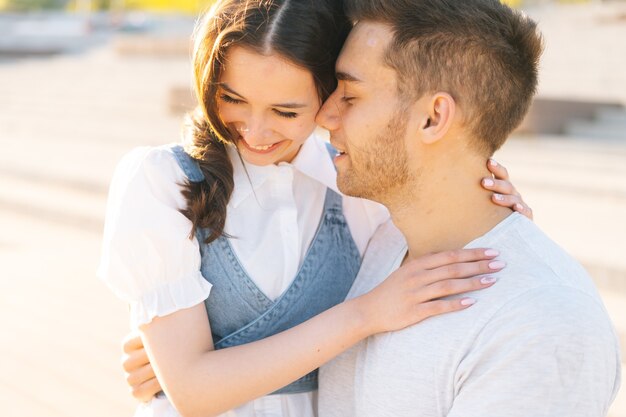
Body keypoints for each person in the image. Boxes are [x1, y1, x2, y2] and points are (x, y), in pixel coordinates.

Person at [100, 0, 532, 416]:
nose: (255, 131)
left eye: (285, 112)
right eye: (232, 99)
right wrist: (365, 314)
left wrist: (496, 218)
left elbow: (446, 267)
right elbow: (193, 395)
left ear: (330, 100)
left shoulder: (358, 189)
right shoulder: (164, 180)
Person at [315, 0, 622, 416]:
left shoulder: (542, 322)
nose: (325, 115)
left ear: (433, 117)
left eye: (349, 94)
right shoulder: (381, 237)